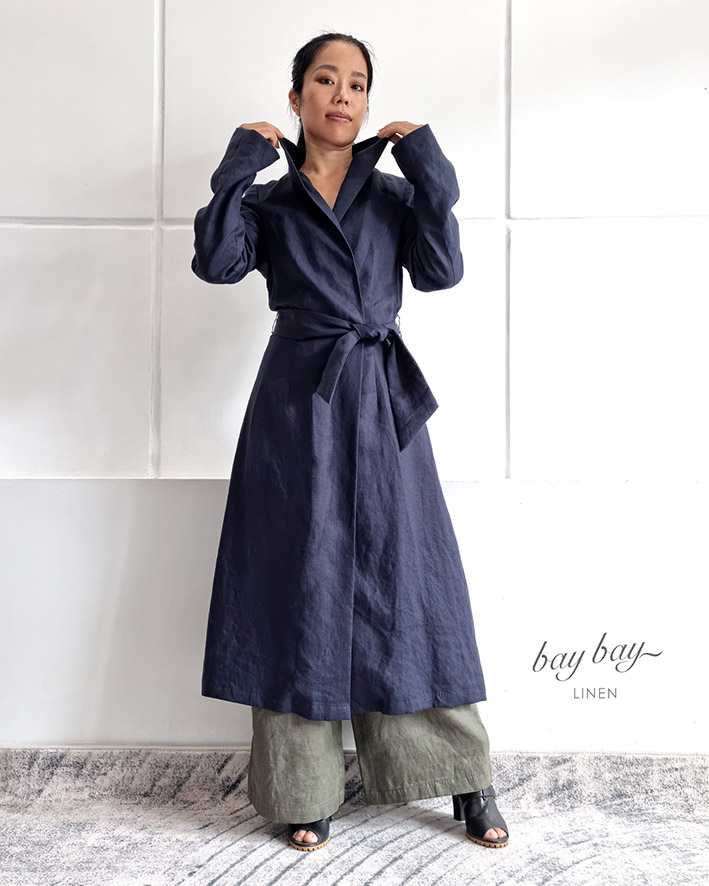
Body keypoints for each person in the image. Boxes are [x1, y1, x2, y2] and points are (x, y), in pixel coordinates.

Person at [191, 32, 509, 851]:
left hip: (380, 398)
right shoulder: (270, 202)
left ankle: (465, 778)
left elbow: (439, 272)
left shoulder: (393, 195)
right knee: (299, 582)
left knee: (411, 582)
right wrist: (238, 167)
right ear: (295, 97)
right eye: (325, 80)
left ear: (367, 101)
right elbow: (216, 263)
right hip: (295, 404)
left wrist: (429, 169)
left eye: (357, 83)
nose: (342, 95)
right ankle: (305, 789)